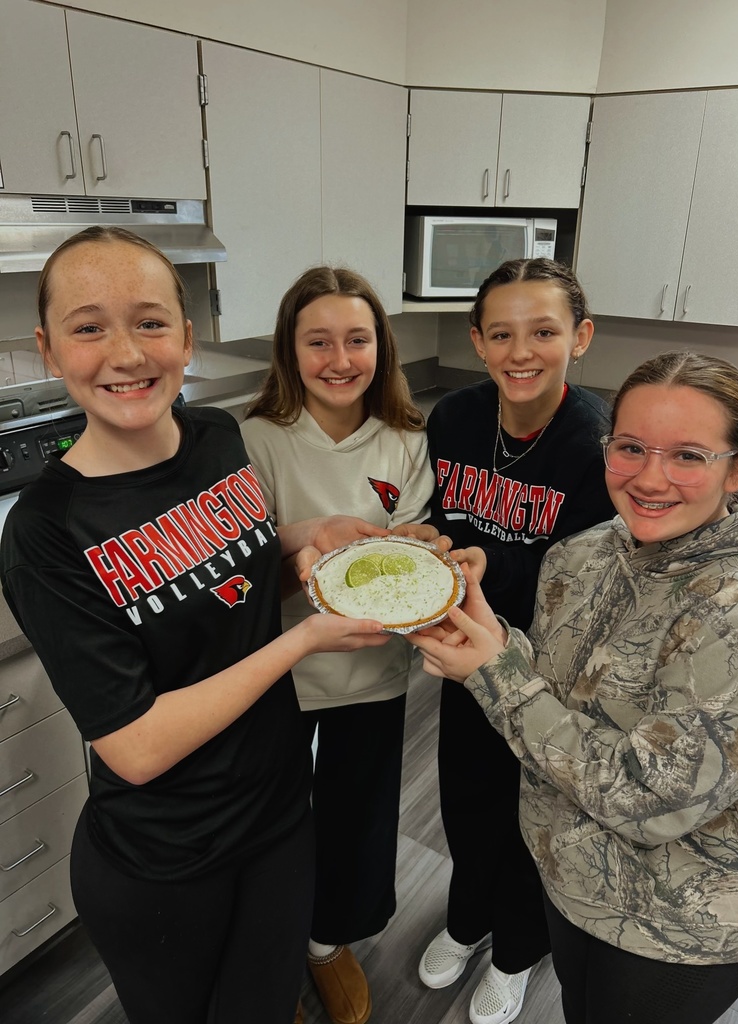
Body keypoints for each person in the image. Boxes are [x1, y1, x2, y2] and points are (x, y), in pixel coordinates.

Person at [0, 228, 396, 1024]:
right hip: (167, 857)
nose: (126, 352)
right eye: (88, 327)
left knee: (264, 1003)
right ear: (48, 349)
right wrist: (307, 637)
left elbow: (235, 576)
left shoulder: (218, 437)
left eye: (149, 322)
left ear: (186, 338)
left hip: (281, 810)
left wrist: (310, 539)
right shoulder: (47, 533)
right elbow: (136, 747)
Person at [410, 350, 738, 1024]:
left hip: (670, 932)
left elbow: (649, 797)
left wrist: (490, 674)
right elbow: (559, 686)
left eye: (688, 455)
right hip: (566, 873)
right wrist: (491, 637)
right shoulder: (588, 551)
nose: (651, 478)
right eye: (630, 447)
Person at [419, 258, 616, 1024]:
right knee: (467, 799)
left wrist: (487, 560)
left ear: (581, 336)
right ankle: (469, 921)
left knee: (534, 818)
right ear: (476, 341)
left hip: (550, 672)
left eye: (543, 330)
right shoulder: (455, 420)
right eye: (501, 333)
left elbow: (585, 584)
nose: (521, 351)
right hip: (466, 646)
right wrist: (430, 544)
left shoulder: (593, 442)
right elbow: (453, 519)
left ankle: (515, 950)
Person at [241, 265, 436, 1024]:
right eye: (317, 340)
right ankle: (270, 952)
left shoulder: (404, 440)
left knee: (358, 815)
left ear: (381, 348)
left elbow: (411, 550)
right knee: (272, 819)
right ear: (290, 351)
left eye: (358, 339)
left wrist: (420, 549)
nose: (340, 358)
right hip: (280, 672)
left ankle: (327, 942)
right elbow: (241, 572)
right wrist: (301, 564)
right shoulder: (254, 441)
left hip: (371, 670)